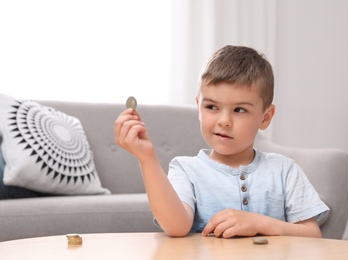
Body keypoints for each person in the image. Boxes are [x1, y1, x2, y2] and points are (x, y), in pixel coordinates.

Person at [114, 45, 329, 239]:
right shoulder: (186, 169)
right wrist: (147, 158)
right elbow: (176, 227)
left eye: (240, 110)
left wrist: (258, 223)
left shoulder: (285, 170)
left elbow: (312, 235)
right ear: (198, 107)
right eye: (212, 107)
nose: (224, 121)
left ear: (265, 117)